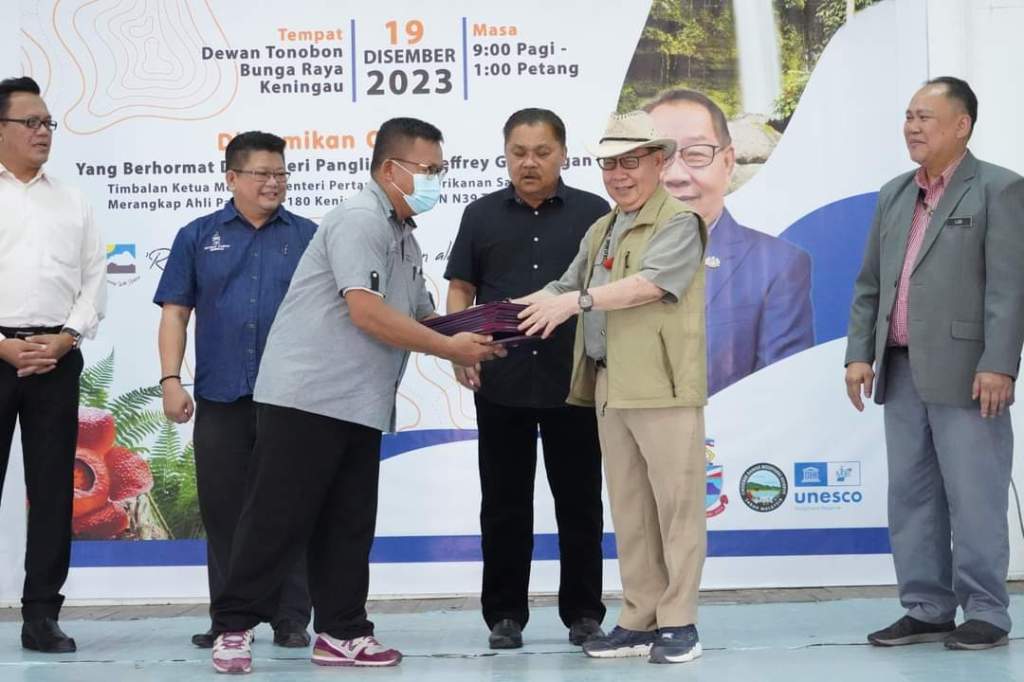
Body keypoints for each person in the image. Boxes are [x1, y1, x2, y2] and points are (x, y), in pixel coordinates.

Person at [207, 117, 506, 674]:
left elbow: (421, 315)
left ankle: (342, 632)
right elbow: (366, 312)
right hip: (308, 397)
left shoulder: (404, 234)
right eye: (428, 169)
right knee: (276, 519)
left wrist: (479, 337)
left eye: (441, 170)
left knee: (347, 523)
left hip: (360, 402)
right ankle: (233, 627)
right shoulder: (359, 219)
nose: (437, 180)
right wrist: (450, 348)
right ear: (391, 169)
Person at [517, 111, 707, 665]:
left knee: (676, 509)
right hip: (608, 384)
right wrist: (501, 316)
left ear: (659, 161)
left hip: (663, 386)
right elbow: (564, 285)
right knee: (630, 511)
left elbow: (649, 286)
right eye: (609, 164)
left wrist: (575, 303)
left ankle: (680, 622)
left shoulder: (680, 222)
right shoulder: (602, 227)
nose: (618, 175)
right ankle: (639, 619)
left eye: (630, 162)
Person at [846, 76, 1024, 651]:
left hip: (970, 372)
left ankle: (987, 612)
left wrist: (1000, 363)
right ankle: (926, 608)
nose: (912, 127)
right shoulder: (895, 193)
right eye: (908, 116)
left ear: (961, 125)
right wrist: (859, 354)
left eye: (925, 117)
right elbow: (870, 284)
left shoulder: (1000, 188)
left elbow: (1010, 288)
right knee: (912, 496)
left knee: (974, 495)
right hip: (899, 370)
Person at [445, 108, 608, 650]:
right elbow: (461, 288)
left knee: (579, 503)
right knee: (504, 504)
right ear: (506, 154)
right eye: (518, 153)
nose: (529, 163)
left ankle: (583, 614)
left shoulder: (595, 213)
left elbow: (609, 290)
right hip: (502, 381)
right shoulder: (481, 214)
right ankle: (505, 615)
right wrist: (456, 348)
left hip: (575, 381)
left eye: (541, 152)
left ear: (563, 154)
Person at [153, 131, 316, 649]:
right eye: (262, 173)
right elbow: (175, 313)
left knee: (289, 505)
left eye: (281, 174)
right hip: (220, 394)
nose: (274, 183)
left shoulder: (309, 236)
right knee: (223, 509)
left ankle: (291, 616)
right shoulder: (197, 236)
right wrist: (171, 380)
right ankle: (230, 618)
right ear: (232, 178)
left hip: (290, 397)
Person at [0, 76, 106, 653]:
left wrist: (66, 338)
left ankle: (41, 615)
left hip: (56, 359)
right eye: (31, 122)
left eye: (48, 124)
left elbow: (94, 281)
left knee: (51, 492)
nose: (43, 132)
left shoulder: (72, 200)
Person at [646, 89, 814, 395]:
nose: (675, 175)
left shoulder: (777, 265)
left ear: (727, 162)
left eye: (696, 154)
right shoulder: (609, 251)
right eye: (659, 157)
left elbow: (781, 389)